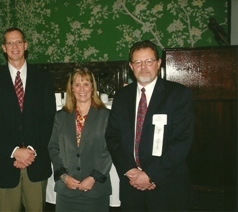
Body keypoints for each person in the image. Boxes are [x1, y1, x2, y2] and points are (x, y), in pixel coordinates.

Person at [105, 40, 194, 211]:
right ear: (131, 66)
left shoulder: (178, 95)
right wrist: (130, 170)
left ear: (159, 63)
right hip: (131, 184)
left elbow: (182, 142)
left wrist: (150, 175)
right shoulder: (122, 97)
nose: (143, 67)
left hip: (167, 185)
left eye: (148, 61)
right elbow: (112, 137)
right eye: (138, 62)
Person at [0, 27, 56, 211]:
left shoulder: (43, 79)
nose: (15, 46)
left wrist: (29, 151)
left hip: (35, 163)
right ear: (4, 48)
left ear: (26, 45)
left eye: (19, 42)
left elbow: (49, 121)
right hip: (5, 165)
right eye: (10, 42)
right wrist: (15, 151)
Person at [48, 68, 112, 211]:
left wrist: (93, 177)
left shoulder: (106, 116)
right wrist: (64, 177)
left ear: (92, 87)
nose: (81, 89)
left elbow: (110, 149)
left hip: (95, 190)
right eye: (77, 84)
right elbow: (53, 148)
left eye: (86, 84)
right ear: (71, 88)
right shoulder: (60, 117)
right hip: (67, 191)